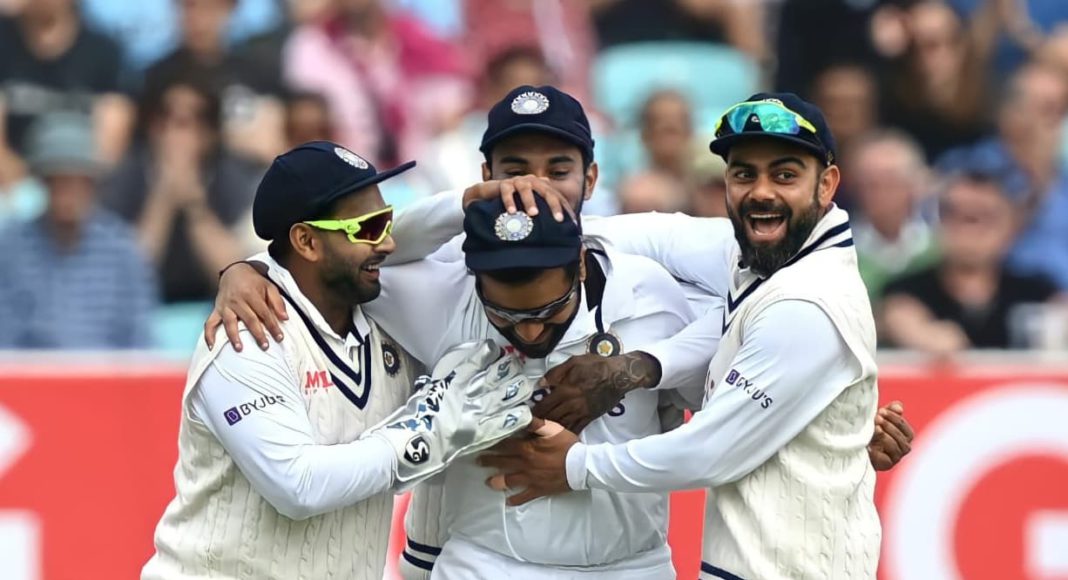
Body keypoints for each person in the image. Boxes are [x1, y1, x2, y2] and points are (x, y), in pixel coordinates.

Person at [208, 87, 915, 577]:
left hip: (630, 569)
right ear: (485, 179)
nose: (529, 332)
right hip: (479, 564)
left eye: (557, 170)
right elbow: (330, 261)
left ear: (591, 183)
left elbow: (735, 371)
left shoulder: (658, 283)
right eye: (513, 172)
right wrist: (251, 266)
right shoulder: (437, 281)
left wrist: (640, 365)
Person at [479, 93, 886, 580]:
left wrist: (573, 465)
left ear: (827, 185)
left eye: (784, 174)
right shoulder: (758, 258)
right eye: (743, 174)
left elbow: (709, 450)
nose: (761, 192)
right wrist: (537, 234)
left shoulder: (804, 302)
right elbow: (655, 234)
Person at [142, 141, 535, 580]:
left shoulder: (386, 313)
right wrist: (427, 433)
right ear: (307, 241)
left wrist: (463, 203)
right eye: (368, 228)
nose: (387, 243)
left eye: (386, 220)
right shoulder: (247, 333)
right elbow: (297, 486)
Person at [0, 111, 156, 349]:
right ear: (43, 182)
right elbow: (6, 341)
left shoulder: (123, 251)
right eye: (57, 180)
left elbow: (139, 341)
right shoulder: (10, 248)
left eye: (76, 180)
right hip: (31, 380)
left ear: (92, 183)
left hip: (109, 380)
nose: (67, 193)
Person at [880, 170, 1062, 353]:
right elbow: (898, 315)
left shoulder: (1039, 293)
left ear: (1011, 226)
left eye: (983, 217)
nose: (969, 231)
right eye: (955, 215)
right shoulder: (906, 292)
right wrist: (918, 333)